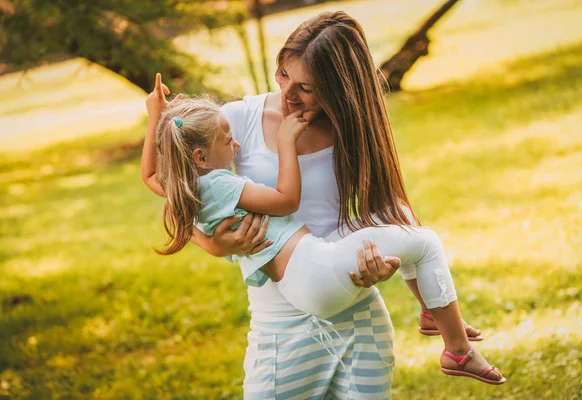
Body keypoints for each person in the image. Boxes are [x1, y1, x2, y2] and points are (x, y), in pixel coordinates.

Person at [142, 11, 505, 398]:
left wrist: (384, 270)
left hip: (356, 316)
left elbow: (385, 214)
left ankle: (440, 320)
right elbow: (180, 193)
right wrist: (213, 244)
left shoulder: (353, 130)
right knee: (426, 243)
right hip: (280, 325)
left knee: (418, 241)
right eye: (283, 74)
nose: (287, 94)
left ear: (338, 89)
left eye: (306, 87)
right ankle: (454, 342)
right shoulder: (233, 123)